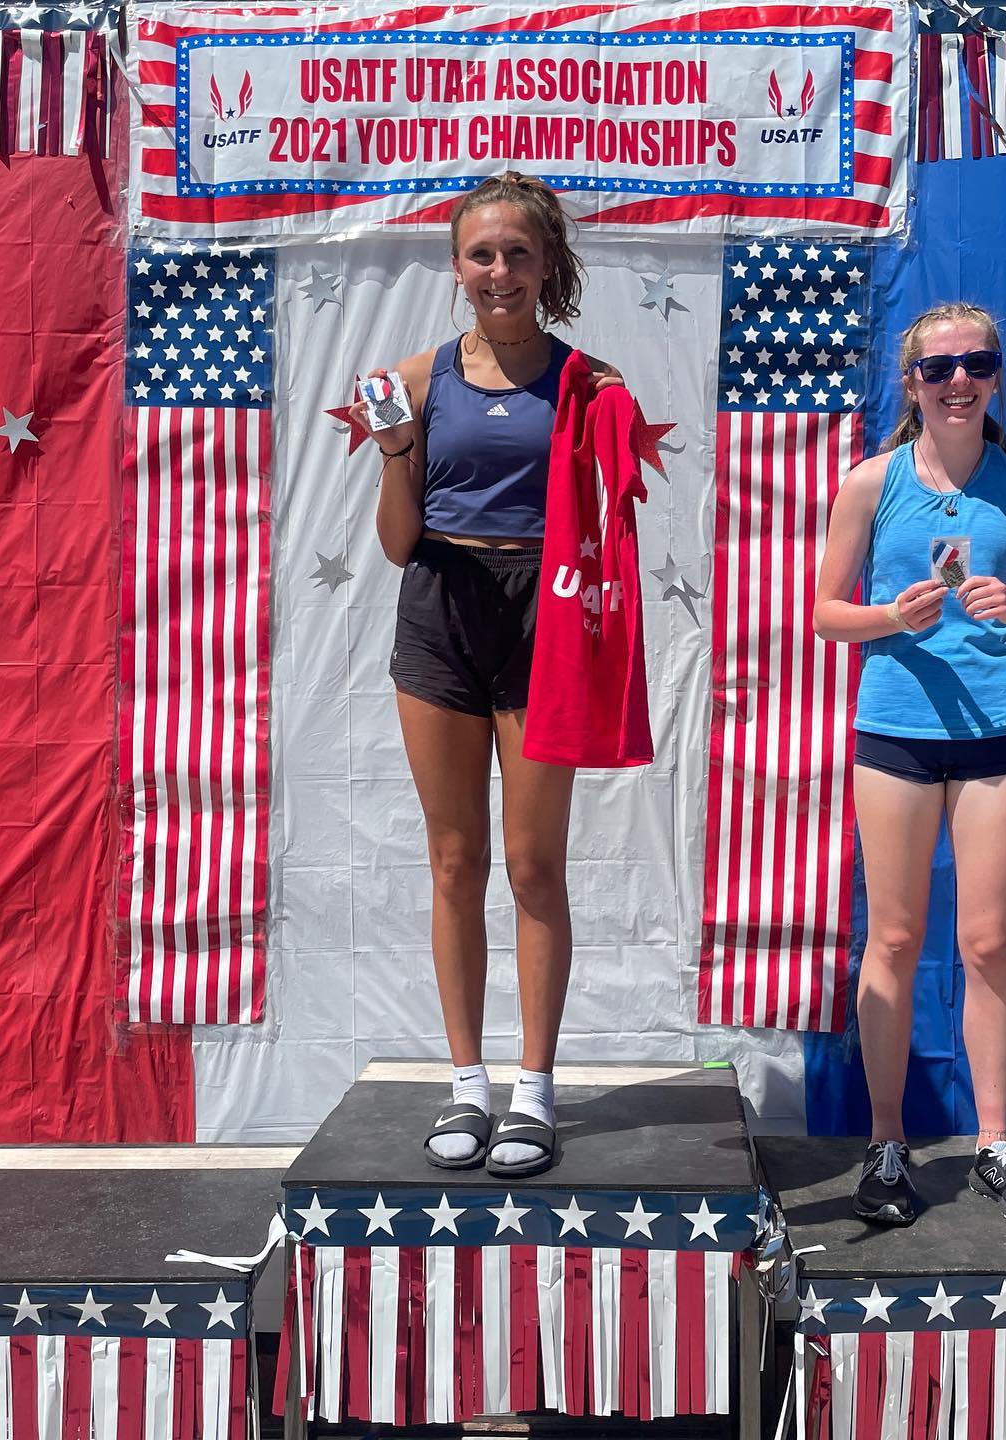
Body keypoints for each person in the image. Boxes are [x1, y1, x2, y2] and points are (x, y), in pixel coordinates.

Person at [349, 172, 623, 1180]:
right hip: (439, 613)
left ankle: (535, 1093)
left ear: (547, 262)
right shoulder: (417, 379)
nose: (498, 271)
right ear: (457, 265)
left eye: (516, 252)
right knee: (455, 862)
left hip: (542, 625)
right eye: (481, 254)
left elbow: (608, 535)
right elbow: (393, 544)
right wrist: (394, 456)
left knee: (534, 866)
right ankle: (466, 1085)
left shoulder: (590, 384)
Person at [813, 302, 1006, 1227]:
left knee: (988, 942)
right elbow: (823, 612)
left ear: (997, 375)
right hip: (896, 734)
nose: (958, 380)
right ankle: (888, 1144)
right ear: (911, 382)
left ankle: (995, 1143)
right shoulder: (870, 482)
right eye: (939, 367)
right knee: (890, 940)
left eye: (977, 363)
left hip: (998, 736)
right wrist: (891, 617)